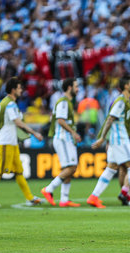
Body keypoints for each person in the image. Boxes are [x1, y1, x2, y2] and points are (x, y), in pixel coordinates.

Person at [87, 75, 130, 209]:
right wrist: (102, 137)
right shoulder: (120, 101)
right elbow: (110, 119)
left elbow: (123, 121)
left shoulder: (126, 101)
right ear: (126, 86)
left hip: (118, 139)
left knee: (111, 168)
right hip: (119, 139)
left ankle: (93, 197)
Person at [0, 77, 43, 207]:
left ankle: (30, 198)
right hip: (5, 142)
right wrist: (34, 133)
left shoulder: (5, 102)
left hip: (11, 142)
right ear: (13, 90)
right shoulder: (10, 104)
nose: (21, 90)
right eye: (19, 88)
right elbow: (17, 122)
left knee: (18, 171)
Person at [41, 78, 82, 207]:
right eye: (76, 86)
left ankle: (64, 199)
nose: (78, 89)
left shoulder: (67, 102)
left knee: (68, 168)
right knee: (72, 167)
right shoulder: (63, 102)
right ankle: (49, 189)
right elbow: (60, 120)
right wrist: (74, 133)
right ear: (69, 87)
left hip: (65, 138)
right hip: (63, 138)